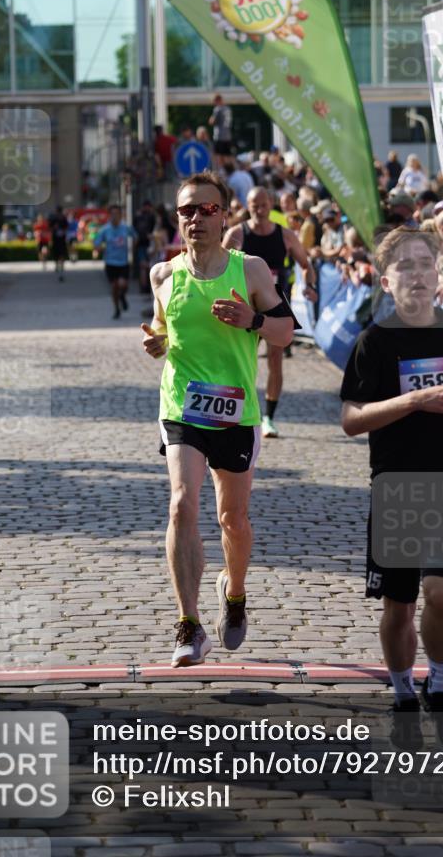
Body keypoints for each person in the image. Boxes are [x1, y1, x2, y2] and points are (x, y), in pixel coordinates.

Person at [341, 227, 443, 751]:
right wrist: (414, 402)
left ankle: (439, 684)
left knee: (440, 593)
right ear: (387, 281)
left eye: (426, 264)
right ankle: (401, 692)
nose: (418, 274)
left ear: (439, 274)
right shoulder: (375, 341)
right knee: (399, 604)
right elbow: (350, 419)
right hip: (395, 487)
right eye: (406, 267)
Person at [141, 170, 294, 666]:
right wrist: (156, 342)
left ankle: (235, 592)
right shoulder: (163, 275)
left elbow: (285, 333)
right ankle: (188, 624)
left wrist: (251, 320)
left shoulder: (249, 270)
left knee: (233, 518)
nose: (197, 218)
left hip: (235, 410)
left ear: (224, 215)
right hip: (182, 405)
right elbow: (163, 330)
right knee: (182, 505)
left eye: (208, 209)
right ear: (178, 217)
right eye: (188, 210)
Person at [223, 186, 316, 439]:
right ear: (248, 205)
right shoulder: (236, 234)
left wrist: (310, 285)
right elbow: (219, 267)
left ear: (271, 204)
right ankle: (237, 411)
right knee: (241, 359)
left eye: (263, 204)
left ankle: (269, 417)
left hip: (276, 303)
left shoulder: (285, 235)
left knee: (275, 360)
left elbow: (306, 264)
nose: (259, 209)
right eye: (254, 205)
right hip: (246, 303)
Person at [94, 205, 136, 319]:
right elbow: (97, 244)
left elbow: (135, 237)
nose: (114, 216)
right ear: (109, 215)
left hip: (123, 262)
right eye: (112, 214)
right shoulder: (105, 229)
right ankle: (117, 308)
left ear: (121, 215)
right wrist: (101, 249)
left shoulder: (126, 227)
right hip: (110, 263)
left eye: (117, 214)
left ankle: (122, 296)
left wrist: (133, 250)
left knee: (123, 285)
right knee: (114, 287)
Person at [208, 94, 233, 164]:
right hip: (227, 135)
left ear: (217, 100)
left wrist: (210, 119)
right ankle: (228, 170)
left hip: (219, 136)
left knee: (218, 155)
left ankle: (220, 170)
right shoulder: (228, 109)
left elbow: (212, 121)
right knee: (227, 155)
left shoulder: (218, 109)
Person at [49, 205, 69, 281]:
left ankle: (61, 265)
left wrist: (63, 230)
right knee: (56, 253)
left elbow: (66, 227)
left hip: (61, 239)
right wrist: (54, 228)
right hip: (56, 239)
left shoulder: (63, 218)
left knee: (61, 253)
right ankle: (57, 264)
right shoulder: (53, 218)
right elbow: (50, 226)